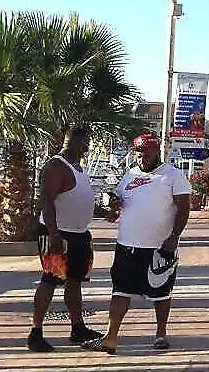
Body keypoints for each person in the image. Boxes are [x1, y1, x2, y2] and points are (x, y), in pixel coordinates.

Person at [81, 134, 191, 354]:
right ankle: (110, 337)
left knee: (161, 292)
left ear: (157, 151)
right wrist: (112, 208)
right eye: (138, 152)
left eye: (146, 152)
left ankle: (161, 333)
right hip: (127, 245)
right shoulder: (129, 174)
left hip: (159, 246)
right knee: (120, 290)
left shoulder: (173, 175)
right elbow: (119, 200)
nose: (141, 157)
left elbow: (184, 206)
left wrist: (174, 236)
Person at [28, 127, 104, 352]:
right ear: (70, 142)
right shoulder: (55, 166)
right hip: (57, 233)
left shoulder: (79, 168)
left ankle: (77, 327)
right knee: (50, 279)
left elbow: (79, 199)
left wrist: (105, 210)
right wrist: (53, 234)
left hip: (79, 233)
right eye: (82, 144)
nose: (86, 148)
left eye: (87, 144)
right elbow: (46, 200)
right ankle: (36, 332)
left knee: (74, 280)